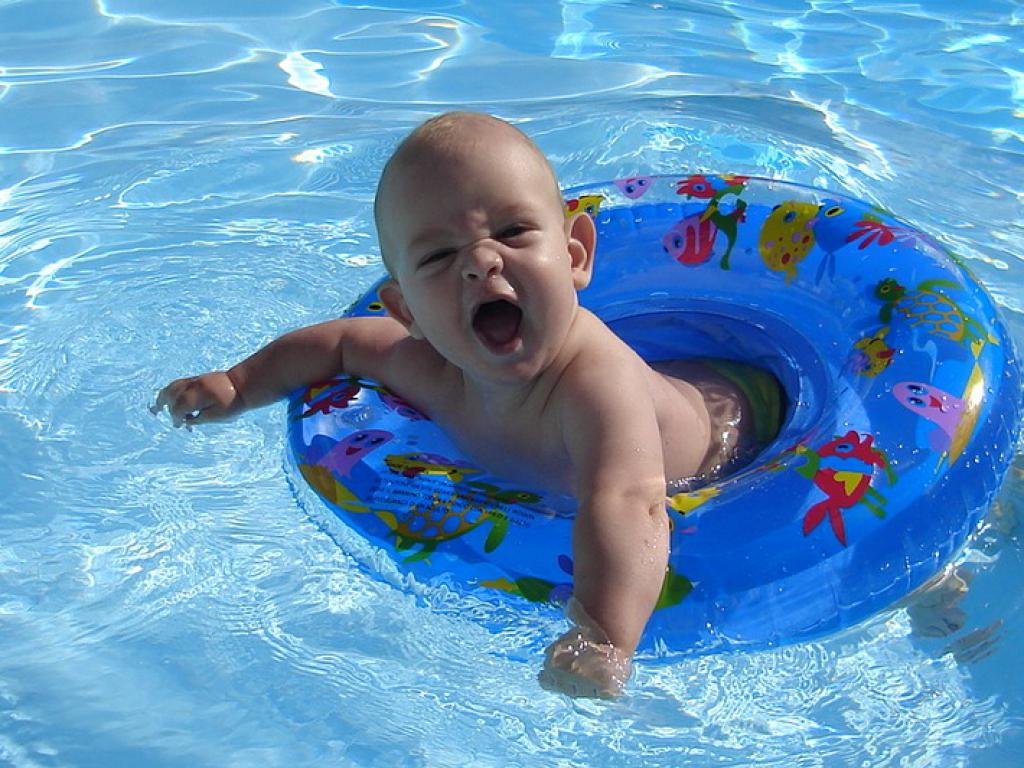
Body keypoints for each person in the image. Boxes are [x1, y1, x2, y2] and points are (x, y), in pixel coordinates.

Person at [153, 111, 782, 698]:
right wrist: (238, 385)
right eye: (438, 255)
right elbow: (341, 344)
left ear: (575, 256)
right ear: (405, 311)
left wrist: (604, 639)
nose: (482, 262)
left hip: (733, 426)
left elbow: (629, 502)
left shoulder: (595, 386)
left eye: (512, 232)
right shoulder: (429, 368)